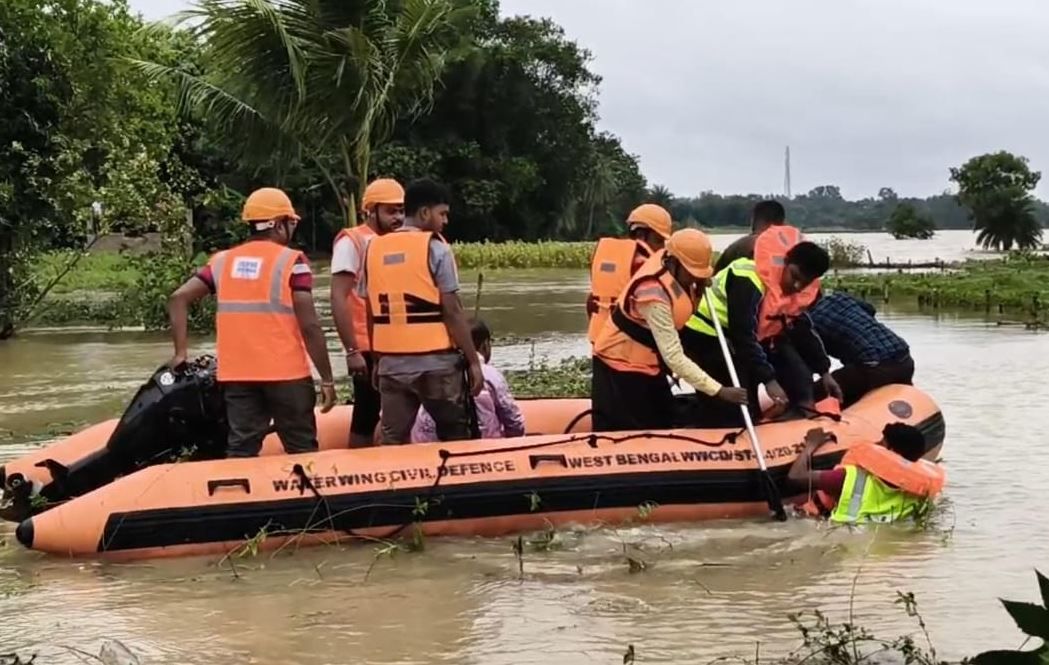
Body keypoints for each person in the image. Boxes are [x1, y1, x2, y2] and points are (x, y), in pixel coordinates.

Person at [167, 187, 336, 458]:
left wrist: (180, 353)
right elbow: (310, 326)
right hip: (286, 375)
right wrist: (327, 378)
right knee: (302, 449)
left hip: (238, 376)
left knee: (241, 449)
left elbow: (178, 298)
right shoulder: (293, 261)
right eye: (291, 222)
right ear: (279, 224)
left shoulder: (222, 262)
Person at [358, 178, 483, 444]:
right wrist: (473, 361)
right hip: (436, 364)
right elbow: (453, 311)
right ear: (425, 213)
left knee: (392, 437)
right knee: (455, 434)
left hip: (391, 365)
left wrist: (377, 358)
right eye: (442, 214)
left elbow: (370, 312)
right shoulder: (436, 248)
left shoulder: (372, 249)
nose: (445, 221)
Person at [681, 225, 841, 427]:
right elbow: (743, 335)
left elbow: (803, 330)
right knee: (737, 408)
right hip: (707, 334)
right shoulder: (747, 277)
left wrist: (824, 370)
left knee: (798, 374)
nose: (798, 286)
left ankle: (796, 415)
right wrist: (769, 381)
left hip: (748, 340)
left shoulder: (797, 292)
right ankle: (702, 420)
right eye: (794, 276)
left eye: (805, 282)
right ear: (785, 262)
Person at [591, 228, 749, 432]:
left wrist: (697, 291)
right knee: (640, 428)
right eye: (691, 273)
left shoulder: (668, 263)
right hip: (620, 366)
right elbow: (674, 357)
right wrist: (719, 391)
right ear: (673, 262)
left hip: (647, 365)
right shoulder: (652, 295)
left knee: (665, 416)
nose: (694, 279)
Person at [331, 178, 405, 447]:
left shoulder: (403, 241)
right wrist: (351, 351)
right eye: (390, 211)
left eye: (400, 210)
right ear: (370, 211)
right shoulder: (352, 242)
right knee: (367, 411)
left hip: (397, 343)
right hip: (365, 345)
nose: (397, 217)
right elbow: (338, 296)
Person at [788, 423, 945, 524]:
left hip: (831, 530)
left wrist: (811, 444)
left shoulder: (847, 477)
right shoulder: (920, 488)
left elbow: (795, 478)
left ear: (890, 451)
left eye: (882, 443)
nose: (876, 446)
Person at [411, 319, 525, 442]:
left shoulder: (431, 373)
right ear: (485, 345)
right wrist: (515, 441)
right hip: (484, 443)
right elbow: (511, 417)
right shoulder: (490, 374)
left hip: (431, 446)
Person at [807, 291, 915, 407]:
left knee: (813, 394)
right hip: (904, 359)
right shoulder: (840, 297)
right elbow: (870, 309)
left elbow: (810, 361)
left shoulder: (808, 323)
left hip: (873, 368)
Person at [586, 204, 673, 344]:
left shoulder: (606, 256)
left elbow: (591, 302)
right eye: (658, 241)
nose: (662, 248)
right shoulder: (646, 266)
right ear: (641, 235)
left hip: (600, 343)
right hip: (631, 349)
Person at [713, 200, 787, 273]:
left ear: (753, 220)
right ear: (783, 223)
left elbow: (715, 278)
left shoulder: (739, 246)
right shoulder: (792, 248)